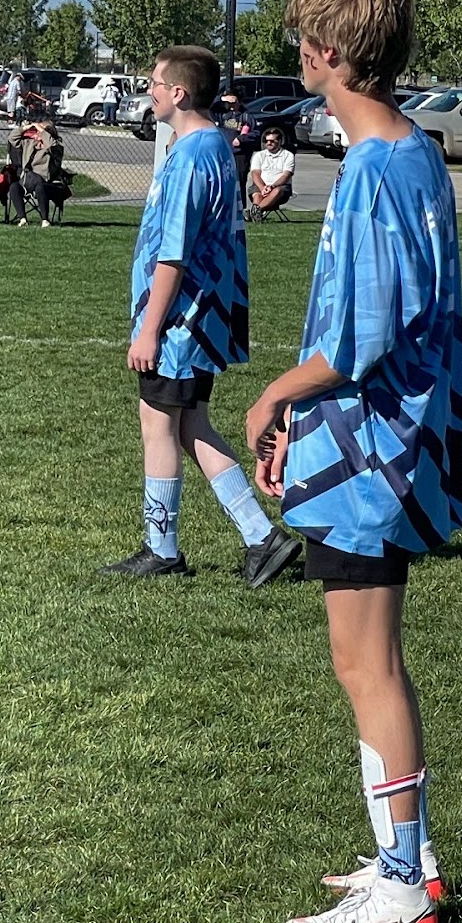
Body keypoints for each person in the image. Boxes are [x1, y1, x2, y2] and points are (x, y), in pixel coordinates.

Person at [245, 0, 462, 923]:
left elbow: (360, 342)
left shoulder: (376, 166)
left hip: (371, 451)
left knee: (362, 662)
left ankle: (399, 881)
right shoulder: (413, 150)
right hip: (384, 445)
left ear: (328, 54)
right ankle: (405, 856)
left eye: (302, 40)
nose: (297, 55)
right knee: (375, 662)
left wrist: (272, 395)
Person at [99, 45, 299, 587]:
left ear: (179, 93)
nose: (150, 92)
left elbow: (174, 253)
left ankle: (163, 548)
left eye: (155, 84)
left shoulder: (192, 156)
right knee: (189, 425)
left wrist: (149, 327)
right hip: (197, 319)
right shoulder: (208, 146)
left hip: (181, 322)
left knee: (158, 422)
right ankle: (263, 538)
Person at [6, 118, 62, 227]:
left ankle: (45, 220)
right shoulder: (29, 143)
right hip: (28, 180)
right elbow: (12, 138)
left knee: (40, 187)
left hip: (47, 182)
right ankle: (22, 218)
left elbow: (51, 144)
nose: (37, 133)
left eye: (41, 131)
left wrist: (41, 130)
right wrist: (25, 128)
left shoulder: (55, 146)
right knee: (14, 187)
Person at [216, 88, 260, 207]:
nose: (230, 106)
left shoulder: (246, 116)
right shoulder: (222, 115)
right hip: (224, 153)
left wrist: (241, 139)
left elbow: (256, 133)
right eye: (228, 103)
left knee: (239, 182)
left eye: (233, 103)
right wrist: (220, 99)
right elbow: (209, 107)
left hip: (240, 155)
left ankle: (240, 208)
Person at [246, 127, 295, 221]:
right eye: (266, 141)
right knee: (257, 194)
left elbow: (286, 175)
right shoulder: (259, 155)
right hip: (260, 186)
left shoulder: (288, 155)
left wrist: (272, 186)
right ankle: (256, 213)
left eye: (272, 141)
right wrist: (262, 188)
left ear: (280, 141)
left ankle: (256, 211)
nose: (268, 143)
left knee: (277, 191)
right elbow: (255, 173)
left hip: (280, 187)